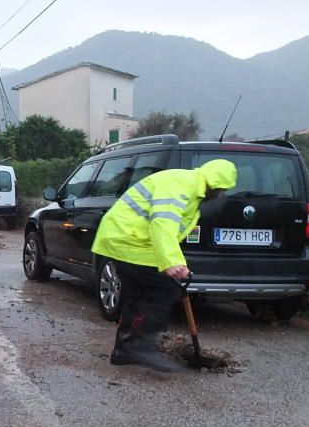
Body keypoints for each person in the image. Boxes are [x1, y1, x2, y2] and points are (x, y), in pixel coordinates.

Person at [92, 159, 237, 372]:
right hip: (128, 239)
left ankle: (124, 350)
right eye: (222, 190)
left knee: (139, 294)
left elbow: (171, 234)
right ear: (215, 185)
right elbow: (162, 223)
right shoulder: (181, 185)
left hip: (130, 239)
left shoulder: (191, 189)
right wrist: (171, 263)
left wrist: (179, 263)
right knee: (164, 290)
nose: (221, 195)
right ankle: (140, 347)